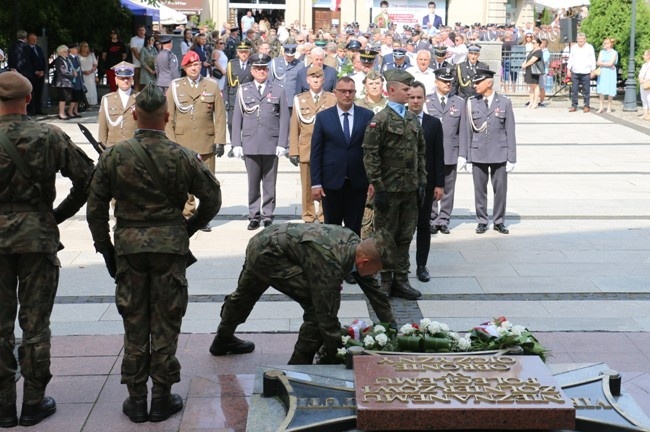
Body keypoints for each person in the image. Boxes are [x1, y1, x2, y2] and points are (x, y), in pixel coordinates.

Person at [86, 83, 222, 424]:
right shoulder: (182, 155)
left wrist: (106, 249)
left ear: (134, 114)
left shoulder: (114, 155)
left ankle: (135, 400)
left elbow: (95, 209)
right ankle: (161, 398)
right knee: (165, 322)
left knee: (135, 323)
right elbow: (213, 199)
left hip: (129, 250)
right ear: (166, 116)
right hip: (169, 250)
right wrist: (186, 230)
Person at [0, 71, 94, 428]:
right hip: (37, 237)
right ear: (27, 99)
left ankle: (4, 405)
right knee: (35, 325)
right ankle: (33, 403)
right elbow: (87, 178)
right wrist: (56, 216)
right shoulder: (49, 135)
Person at [208, 223, 396, 365]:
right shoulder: (331, 264)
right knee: (316, 309)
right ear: (363, 262)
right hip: (270, 255)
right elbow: (326, 318)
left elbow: (376, 293)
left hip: (264, 241)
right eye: (376, 270)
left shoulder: (356, 244)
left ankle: (222, 340)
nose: (375, 275)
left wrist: (392, 330)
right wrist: (337, 355)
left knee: (243, 296)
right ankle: (298, 366)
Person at [362, 69, 426, 300]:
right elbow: (371, 156)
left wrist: (422, 182)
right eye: (406, 90)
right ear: (391, 91)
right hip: (389, 190)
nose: (410, 93)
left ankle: (401, 279)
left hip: (409, 188)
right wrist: (377, 187)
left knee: (405, 235)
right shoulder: (379, 120)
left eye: (411, 90)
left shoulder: (412, 119)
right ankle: (386, 281)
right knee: (385, 237)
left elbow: (421, 152)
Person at [165, 50, 226, 230]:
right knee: (184, 182)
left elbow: (220, 116)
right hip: (182, 143)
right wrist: (171, 142)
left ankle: (203, 216)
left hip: (206, 142)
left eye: (197, 65)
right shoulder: (175, 87)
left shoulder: (212, 86)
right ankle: (187, 214)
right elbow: (168, 117)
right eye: (190, 66)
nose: (194, 68)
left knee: (207, 182)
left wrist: (220, 140)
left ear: (201, 65)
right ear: (184, 68)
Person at [231, 53, 290, 230]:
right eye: (257, 68)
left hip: (271, 143)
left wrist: (282, 143)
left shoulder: (278, 89)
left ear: (268, 70)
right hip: (250, 143)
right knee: (253, 182)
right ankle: (254, 215)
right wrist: (236, 143)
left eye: (264, 68)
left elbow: (284, 119)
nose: (261, 71)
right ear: (252, 70)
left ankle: (268, 215)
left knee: (270, 182)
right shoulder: (244, 90)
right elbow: (236, 118)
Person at [311, 75, 374, 238]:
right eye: (343, 91)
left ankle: (352, 262)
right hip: (331, 183)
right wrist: (315, 183)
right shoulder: (324, 117)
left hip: (358, 182)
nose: (347, 95)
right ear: (335, 92)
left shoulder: (367, 116)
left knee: (354, 229)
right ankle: (332, 262)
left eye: (350, 91)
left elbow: (372, 151)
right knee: (331, 229)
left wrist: (373, 180)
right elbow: (316, 152)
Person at [459, 68, 516, 235]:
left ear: (489, 83)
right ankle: (482, 220)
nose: (475, 85)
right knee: (479, 190)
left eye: (478, 82)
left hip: (499, 151)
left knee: (500, 190)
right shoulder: (471, 102)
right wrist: (466, 157)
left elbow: (510, 130)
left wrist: (512, 157)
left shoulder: (504, 102)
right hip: (478, 152)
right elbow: (467, 131)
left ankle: (499, 221)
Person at [288, 66, 337, 224]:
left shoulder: (332, 99)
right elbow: (294, 126)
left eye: (318, 78)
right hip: (306, 148)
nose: (315, 80)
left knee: (326, 184)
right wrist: (293, 151)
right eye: (312, 78)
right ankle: (308, 215)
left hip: (327, 149)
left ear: (323, 80)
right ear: (307, 80)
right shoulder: (299, 99)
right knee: (307, 185)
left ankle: (324, 214)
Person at [409, 81, 444, 283]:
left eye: (418, 97)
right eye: (412, 97)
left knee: (423, 225)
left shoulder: (433, 123)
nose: (415, 101)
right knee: (402, 227)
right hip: (403, 184)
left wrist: (439, 184)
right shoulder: (399, 120)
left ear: (424, 99)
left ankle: (421, 265)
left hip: (426, 183)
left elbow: (439, 155)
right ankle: (400, 264)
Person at [426, 67, 464, 235]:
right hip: (431, 153)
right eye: (444, 81)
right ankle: (432, 218)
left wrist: (463, 154)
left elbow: (462, 130)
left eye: (450, 81)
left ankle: (444, 219)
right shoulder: (427, 101)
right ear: (436, 82)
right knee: (432, 185)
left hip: (450, 151)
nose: (448, 84)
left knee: (449, 188)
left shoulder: (459, 102)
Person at [98, 62, 138, 146]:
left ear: (132, 80)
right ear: (116, 80)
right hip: (113, 150)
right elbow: (102, 129)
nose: (125, 80)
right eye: (122, 78)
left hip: (135, 149)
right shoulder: (107, 100)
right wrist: (102, 152)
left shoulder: (140, 98)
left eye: (128, 78)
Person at [225, 41, 253, 143]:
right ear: (237, 52)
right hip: (234, 97)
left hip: (248, 98)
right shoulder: (231, 64)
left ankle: (245, 144)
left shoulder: (252, 64)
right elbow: (227, 84)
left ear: (249, 52)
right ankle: (234, 144)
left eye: (246, 51)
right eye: (241, 52)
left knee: (246, 123)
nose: (244, 54)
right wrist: (226, 100)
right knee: (232, 123)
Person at [567, 33, 596, 113]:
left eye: (581, 41)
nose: (580, 42)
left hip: (586, 71)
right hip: (575, 71)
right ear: (577, 40)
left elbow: (592, 59)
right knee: (574, 90)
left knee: (586, 90)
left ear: (585, 40)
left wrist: (593, 70)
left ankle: (586, 105)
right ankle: (574, 105)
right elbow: (571, 59)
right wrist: (568, 69)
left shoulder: (589, 47)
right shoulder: (573, 47)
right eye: (579, 41)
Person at [520, 37, 543, 109]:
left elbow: (533, 60)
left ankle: (535, 102)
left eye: (534, 43)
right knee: (531, 87)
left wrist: (525, 65)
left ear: (538, 44)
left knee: (535, 86)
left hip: (534, 70)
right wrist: (523, 64)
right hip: (529, 69)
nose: (532, 44)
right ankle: (531, 102)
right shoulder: (532, 51)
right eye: (532, 43)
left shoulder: (539, 51)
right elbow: (527, 58)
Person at [596, 38, 618, 114]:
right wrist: (606, 64)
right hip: (603, 72)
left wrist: (604, 63)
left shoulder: (614, 53)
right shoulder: (602, 52)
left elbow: (611, 63)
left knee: (610, 88)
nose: (604, 45)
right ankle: (601, 106)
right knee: (601, 88)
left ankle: (609, 106)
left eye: (605, 43)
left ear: (610, 44)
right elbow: (598, 62)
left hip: (610, 72)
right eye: (603, 43)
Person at [102, 28, 128, 92]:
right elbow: (103, 56)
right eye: (112, 33)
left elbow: (124, 56)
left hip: (119, 67)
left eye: (114, 33)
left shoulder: (121, 44)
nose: (113, 35)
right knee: (112, 84)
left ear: (117, 34)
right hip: (110, 66)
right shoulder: (107, 43)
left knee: (120, 83)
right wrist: (109, 61)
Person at [53, 45, 75, 120]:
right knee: (62, 98)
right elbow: (63, 71)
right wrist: (72, 75)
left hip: (67, 82)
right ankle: (61, 113)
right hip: (62, 82)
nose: (67, 53)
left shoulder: (66, 59)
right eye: (65, 52)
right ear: (60, 52)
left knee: (65, 98)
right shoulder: (59, 60)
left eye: (67, 51)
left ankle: (63, 113)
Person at [27, 33, 46, 115]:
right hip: (32, 75)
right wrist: (35, 71)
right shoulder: (26, 49)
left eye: (35, 39)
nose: (34, 41)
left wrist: (43, 71)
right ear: (28, 40)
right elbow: (27, 63)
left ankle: (39, 109)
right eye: (32, 39)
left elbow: (43, 60)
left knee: (39, 92)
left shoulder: (39, 49)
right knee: (31, 92)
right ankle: (31, 110)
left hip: (40, 75)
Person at [79, 41, 99, 106]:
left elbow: (95, 64)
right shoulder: (78, 55)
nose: (85, 48)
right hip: (82, 74)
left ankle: (91, 102)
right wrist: (82, 71)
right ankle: (84, 102)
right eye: (83, 46)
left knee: (91, 88)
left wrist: (91, 71)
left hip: (91, 74)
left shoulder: (91, 54)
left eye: (86, 46)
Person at [67, 43, 84, 118]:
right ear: (71, 50)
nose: (77, 50)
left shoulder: (76, 57)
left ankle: (75, 111)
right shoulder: (69, 58)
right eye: (75, 48)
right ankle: (70, 111)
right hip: (73, 80)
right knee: (74, 96)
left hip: (78, 79)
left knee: (78, 97)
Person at [130, 25, 146, 91]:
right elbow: (135, 53)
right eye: (140, 30)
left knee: (145, 84)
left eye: (142, 30)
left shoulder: (148, 39)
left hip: (147, 66)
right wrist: (143, 62)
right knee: (137, 84)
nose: (141, 32)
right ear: (137, 31)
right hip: (137, 66)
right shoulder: (133, 39)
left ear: (145, 31)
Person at [639, 49, 650, 120]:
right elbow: (640, 75)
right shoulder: (644, 65)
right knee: (644, 99)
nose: (643, 56)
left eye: (644, 54)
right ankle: (645, 113)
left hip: (648, 83)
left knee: (649, 98)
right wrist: (641, 80)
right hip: (643, 83)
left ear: (649, 56)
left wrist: (646, 80)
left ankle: (649, 114)